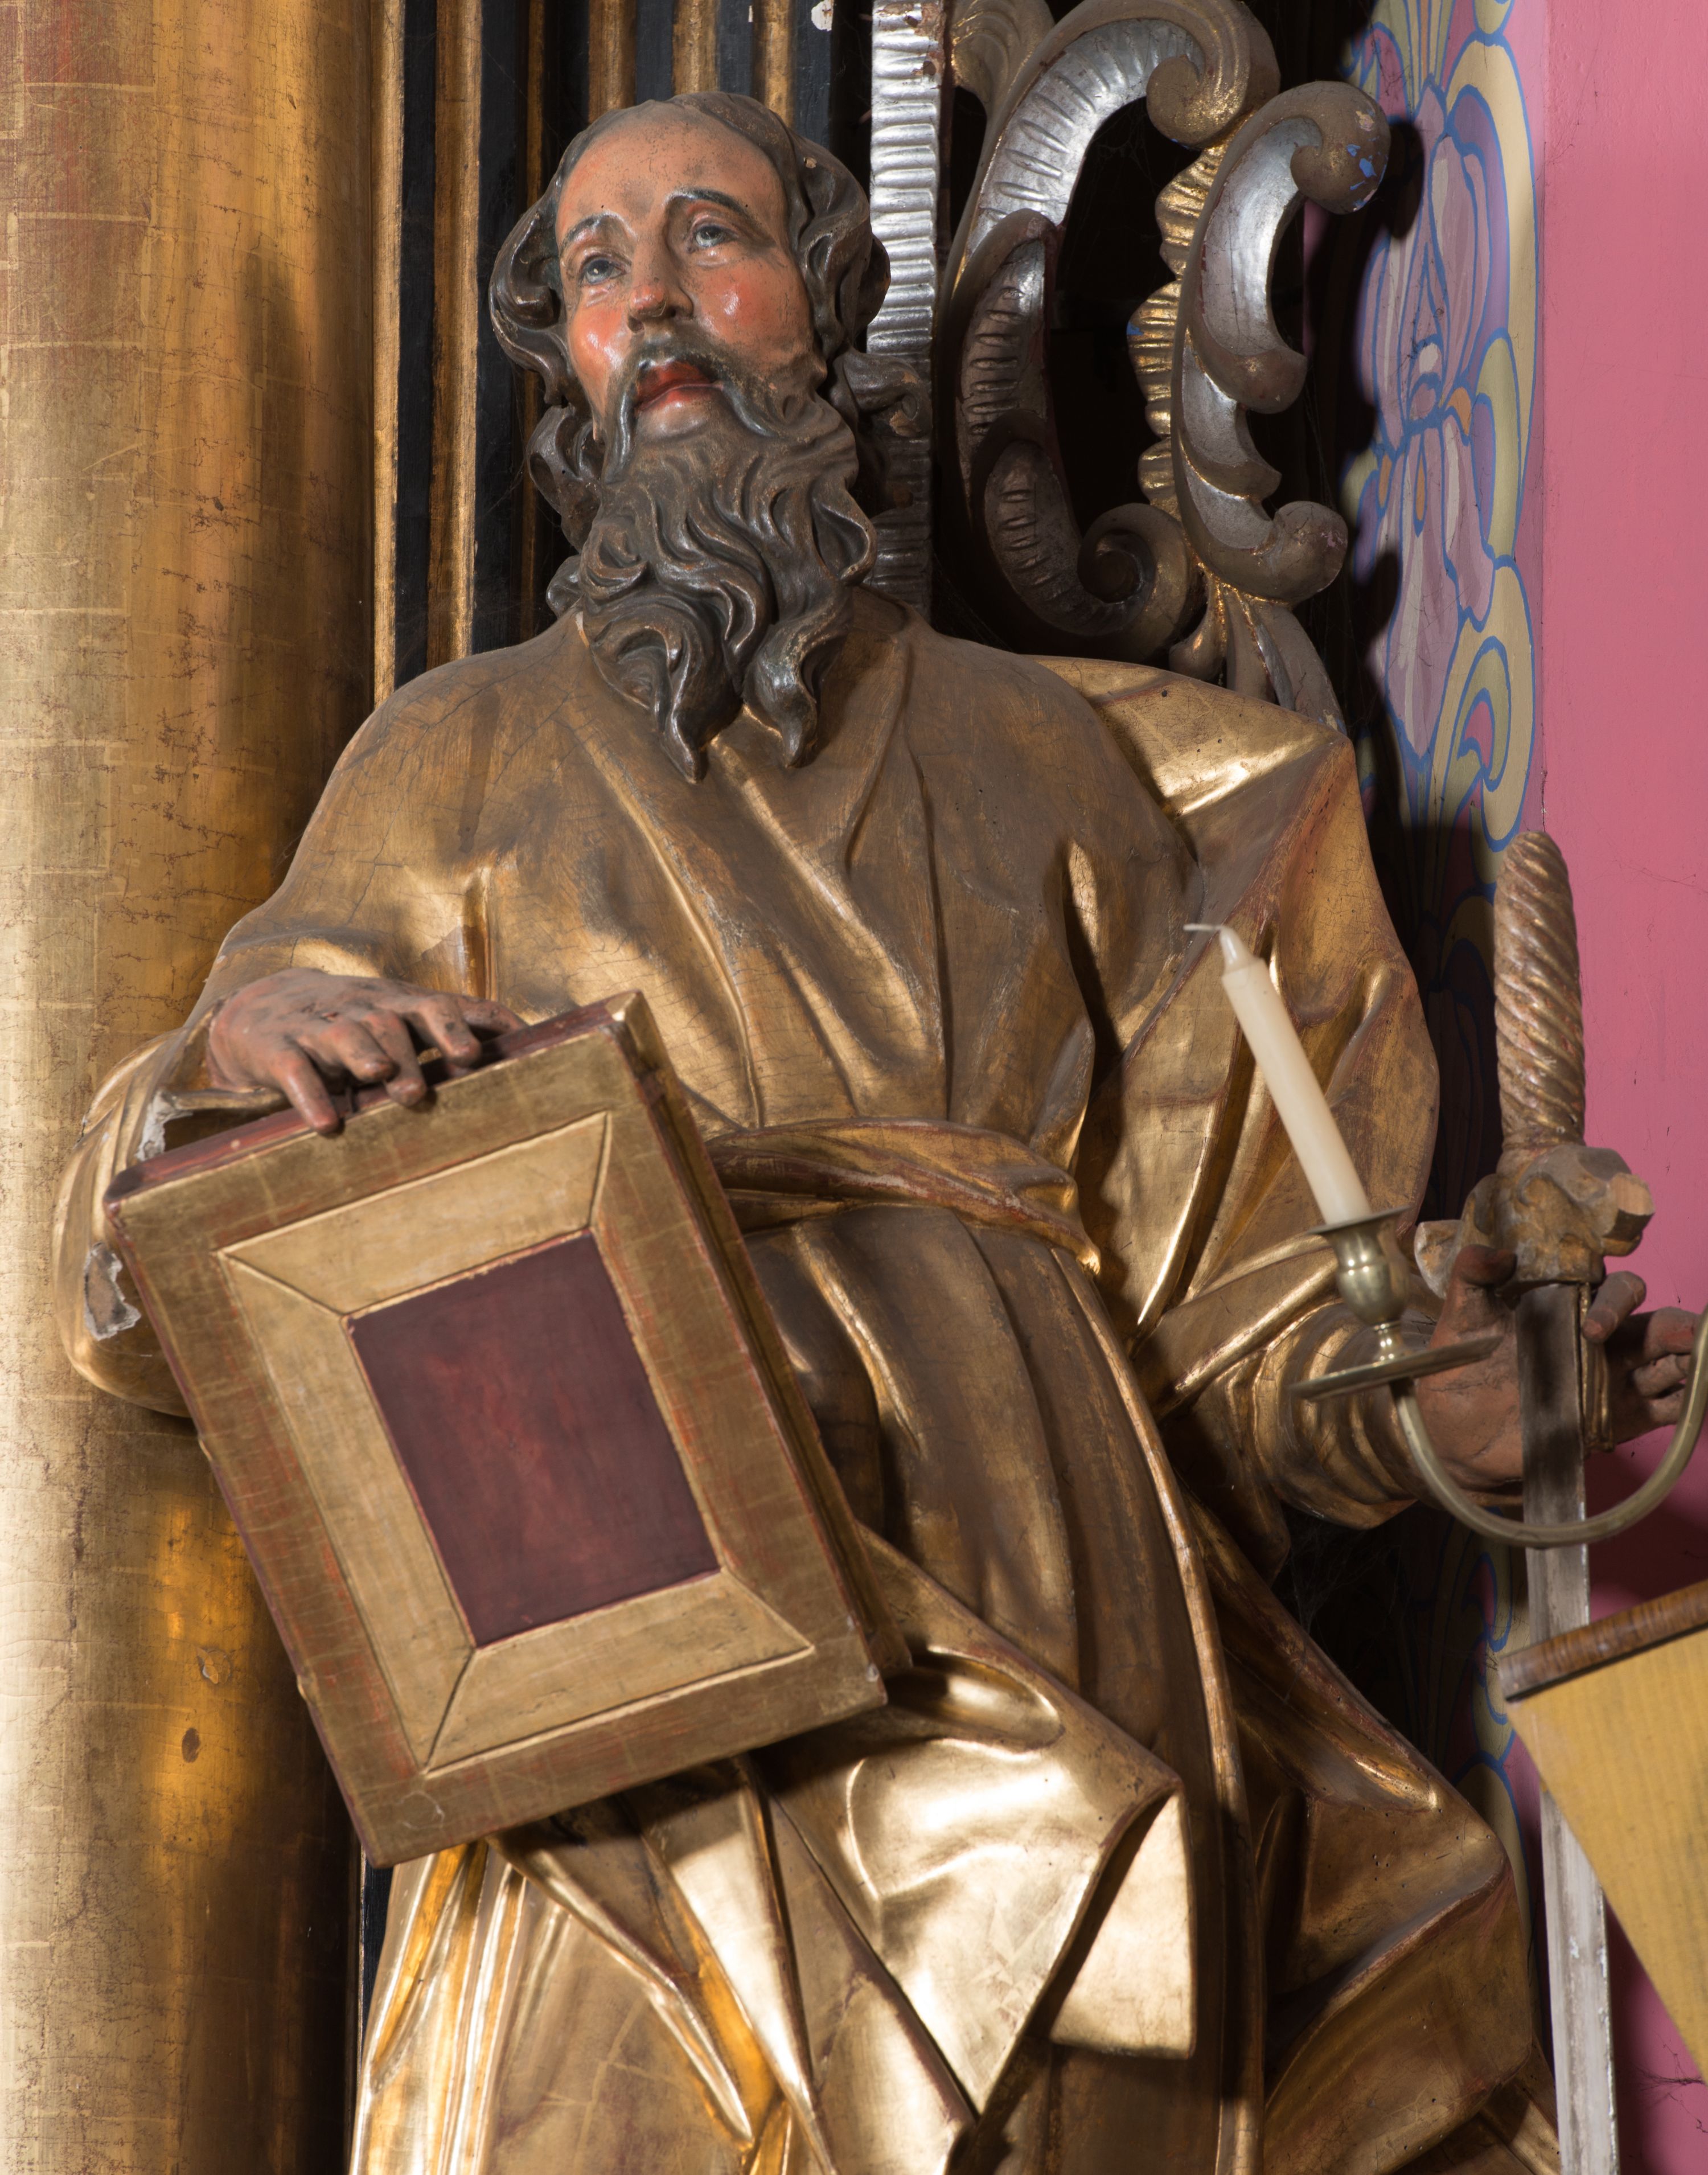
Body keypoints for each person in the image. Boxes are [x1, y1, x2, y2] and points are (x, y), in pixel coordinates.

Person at [54, 92, 1697, 2175]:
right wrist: (246, 1049)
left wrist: (1415, 1410)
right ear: (566, 363)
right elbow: (141, 1268)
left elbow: (1230, 1326)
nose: (657, 303)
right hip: (633, 1620)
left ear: (826, 310)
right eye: (598, 269)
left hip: (1053, 1573)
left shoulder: (1056, 764)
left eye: (711, 237)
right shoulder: (449, 756)